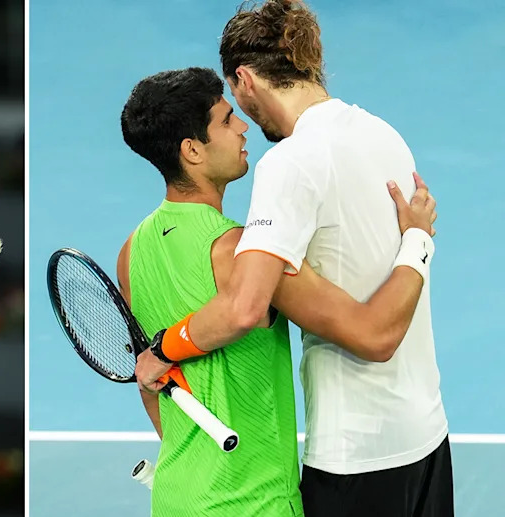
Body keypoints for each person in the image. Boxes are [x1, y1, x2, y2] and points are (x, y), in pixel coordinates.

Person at [134, 2, 451, 516]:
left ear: (244, 79)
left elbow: (245, 307)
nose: (238, 120)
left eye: (232, 98)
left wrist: (165, 347)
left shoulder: (289, 162)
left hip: (355, 460)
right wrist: (419, 242)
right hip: (428, 440)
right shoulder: (384, 134)